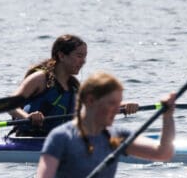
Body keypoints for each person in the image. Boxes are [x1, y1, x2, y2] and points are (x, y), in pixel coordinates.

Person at [32, 71, 176, 178]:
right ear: (90, 100)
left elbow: (163, 153)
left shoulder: (117, 136)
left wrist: (167, 116)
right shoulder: (61, 137)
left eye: (119, 103)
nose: (117, 110)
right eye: (112, 103)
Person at [9, 34, 139, 137]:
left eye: (85, 56)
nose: (83, 61)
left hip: (59, 140)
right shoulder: (40, 79)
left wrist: (125, 106)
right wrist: (27, 117)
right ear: (61, 56)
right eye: (79, 56)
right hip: (28, 140)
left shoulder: (74, 87)